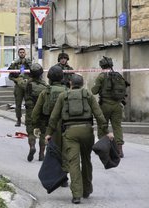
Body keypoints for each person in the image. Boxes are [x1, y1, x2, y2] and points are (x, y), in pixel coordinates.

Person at [45, 73, 112, 204]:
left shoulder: (63, 96)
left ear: (70, 84)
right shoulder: (88, 95)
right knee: (86, 160)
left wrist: (49, 133)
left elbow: (54, 117)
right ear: (82, 83)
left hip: (70, 133)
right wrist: (106, 131)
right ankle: (87, 189)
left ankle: (77, 195)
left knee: (73, 163)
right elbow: (99, 114)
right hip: (87, 131)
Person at [91, 57, 129, 158]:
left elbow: (94, 91)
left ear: (101, 66)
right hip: (117, 105)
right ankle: (119, 150)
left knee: (102, 126)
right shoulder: (118, 75)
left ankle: (104, 149)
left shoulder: (101, 76)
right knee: (117, 127)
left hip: (105, 105)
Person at [31, 65, 67, 165]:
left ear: (49, 79)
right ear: (62, 78)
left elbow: (36, 112)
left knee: (51, 150)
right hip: (65, 126)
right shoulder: (68, 91)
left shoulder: (45, 92)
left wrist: (35, 125)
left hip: (48, 125)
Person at [24, 63, 47, 162]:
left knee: (30, 131)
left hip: (30, 110)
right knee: (43, 132)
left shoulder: (27, 84)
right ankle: (42, 154)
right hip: (42, 111)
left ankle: (32, 146)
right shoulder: (45, 86)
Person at [8, 48, 32, 127]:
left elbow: (34, 72)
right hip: (18, 86)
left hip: (27, 85)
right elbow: (10, 76)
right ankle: (18, 120)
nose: (22, 54)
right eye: (20, 52)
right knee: (18, 104)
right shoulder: (15, 63)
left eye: (23, 52)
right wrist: (17, 79)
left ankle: (28, 120)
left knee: (28, 104)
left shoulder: (29, 62)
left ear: (25, 53)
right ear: (18, 54)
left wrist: (29, 80)